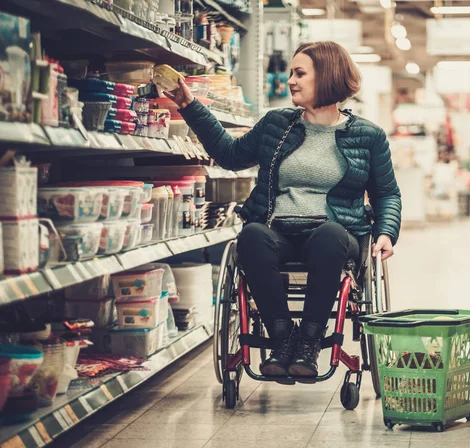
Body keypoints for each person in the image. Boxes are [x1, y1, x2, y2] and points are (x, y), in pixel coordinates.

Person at [165, 41, 402, 378]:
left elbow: (387, 194)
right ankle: (282, 336)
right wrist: (190, 105)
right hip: (280, 230)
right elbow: (231, 156)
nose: (291, 80)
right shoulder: (277, 124)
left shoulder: (368, 136)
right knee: (251, 236)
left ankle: (309, 339)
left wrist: (386, 233)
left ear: (328, 78)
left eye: (300, 73)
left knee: (329, 235)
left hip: (334, 235)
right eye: (291, 72)